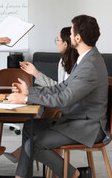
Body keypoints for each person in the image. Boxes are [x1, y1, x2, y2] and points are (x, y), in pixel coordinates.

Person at [8, 15, 109, 178]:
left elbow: (64, 99)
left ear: (78, 37)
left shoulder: (89, 65)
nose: (68, 36)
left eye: (70, 32)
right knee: (29, 127)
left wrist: (25, 100)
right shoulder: (86, 59)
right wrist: (29, 92)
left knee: (33, 145)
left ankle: (75, 175)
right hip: (78, 119)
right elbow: (62, 87)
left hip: (88, 127)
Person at [4, 27, 79, 164]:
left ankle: (24, 153)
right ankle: (24, 154)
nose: (56, 42)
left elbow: (62, 92)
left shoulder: (76, 65)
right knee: (40, 118)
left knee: (48, 114)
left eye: (58, 40)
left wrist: (30, 92)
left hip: (71, 111)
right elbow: (58, 87)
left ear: (66, 44)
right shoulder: (63, 61)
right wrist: (35, 73)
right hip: (65, 105)